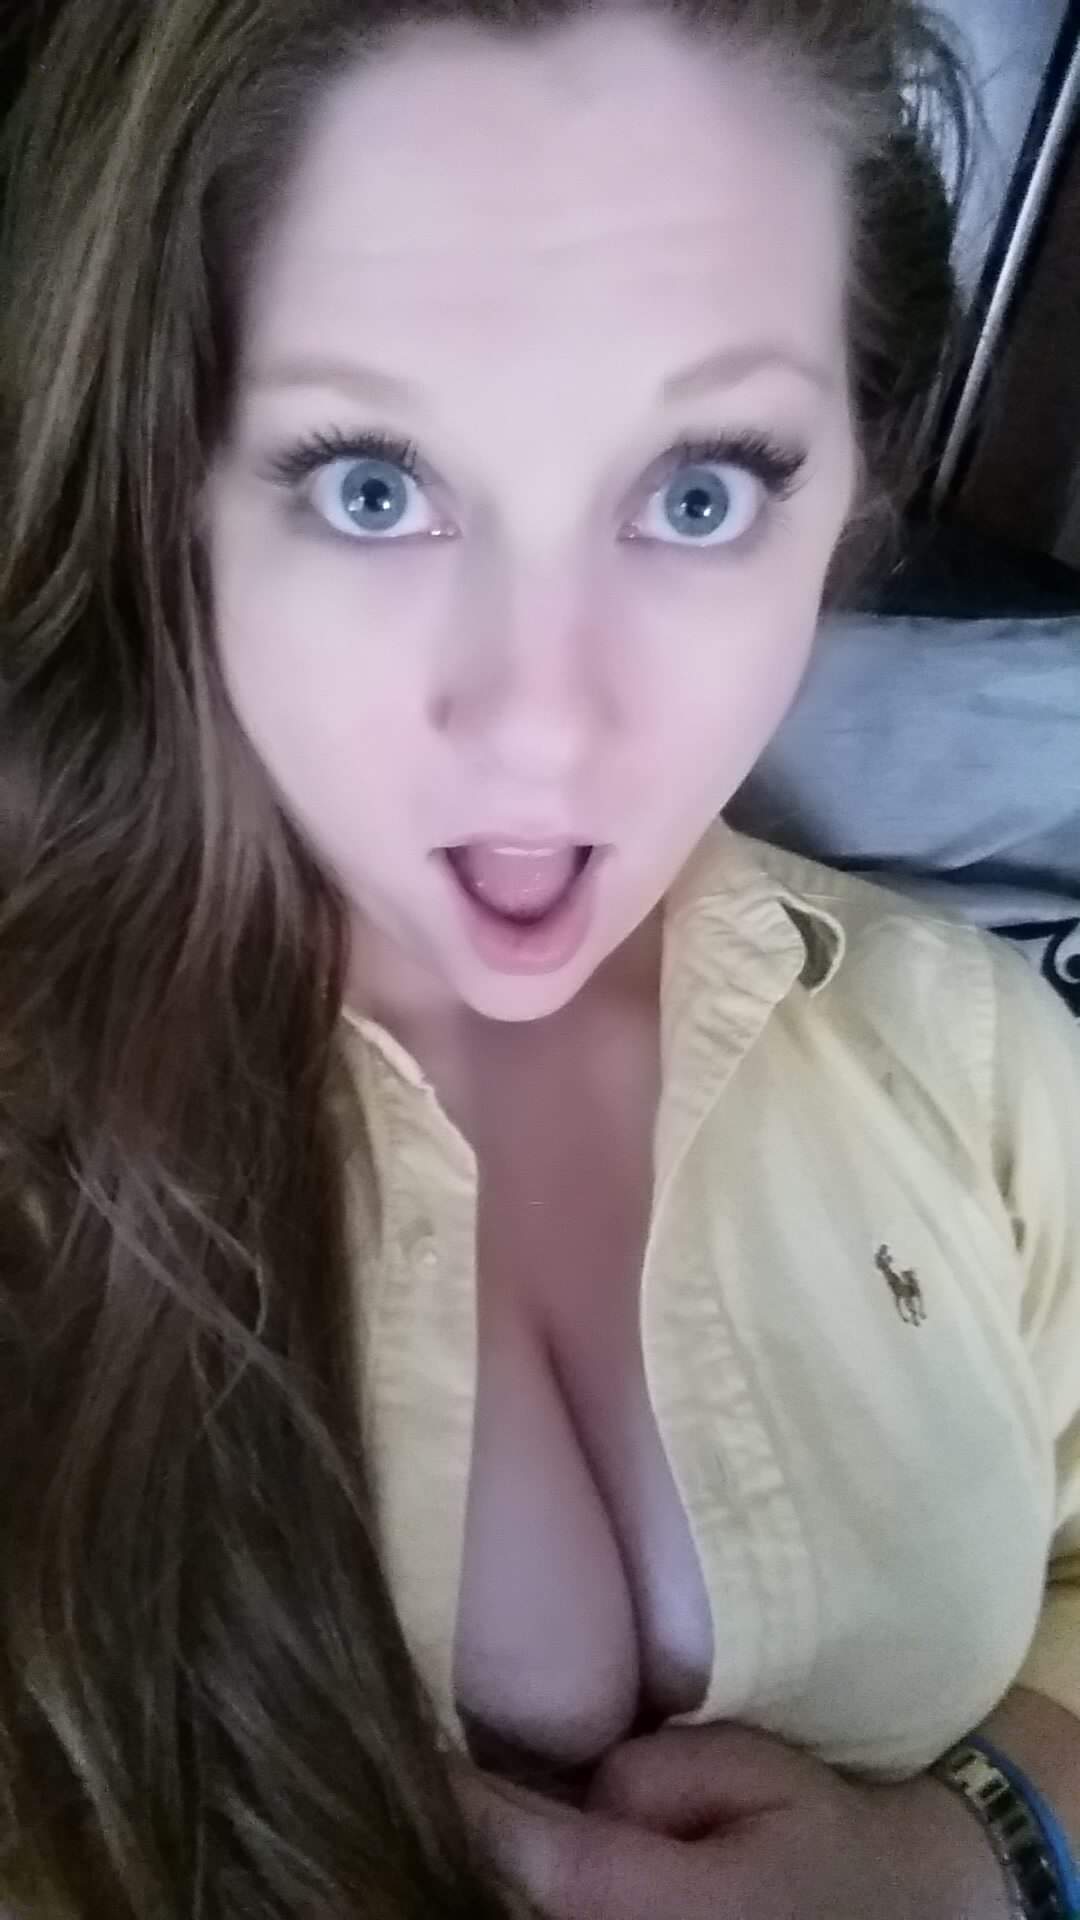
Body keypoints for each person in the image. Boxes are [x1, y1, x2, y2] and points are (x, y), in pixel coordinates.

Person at [2, 0, 1079, 1915]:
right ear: (169, 494)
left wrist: (976, 1853)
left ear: (850, 494)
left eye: (697, 492)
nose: (541, 727)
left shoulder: (969, 1053)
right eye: (373, 485)